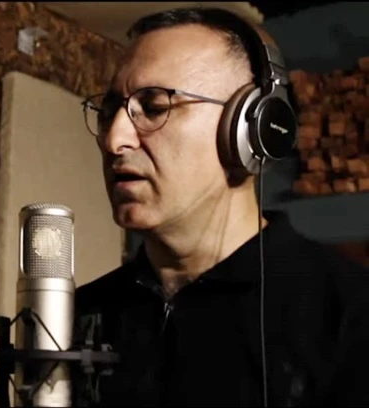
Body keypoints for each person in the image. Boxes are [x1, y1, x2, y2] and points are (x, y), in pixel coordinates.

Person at [73, 7, 369, 407]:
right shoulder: (78, 317)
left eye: (155, 107)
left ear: (251, 131)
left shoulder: (350, 316)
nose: (114, 140)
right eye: (110, 113)